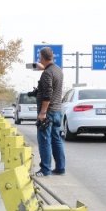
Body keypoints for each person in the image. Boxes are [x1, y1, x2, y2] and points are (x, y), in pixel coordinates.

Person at [35, 47, 65, 176]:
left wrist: (42, 112)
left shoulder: (47, 73)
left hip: (48, 113)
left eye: (39, 57)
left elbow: (48, 94)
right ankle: (60, 168)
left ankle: (45, 169)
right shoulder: (58, 71)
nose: (38, 59)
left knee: (44, 140)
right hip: (57, 111)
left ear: (42, 57)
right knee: (56, 139)